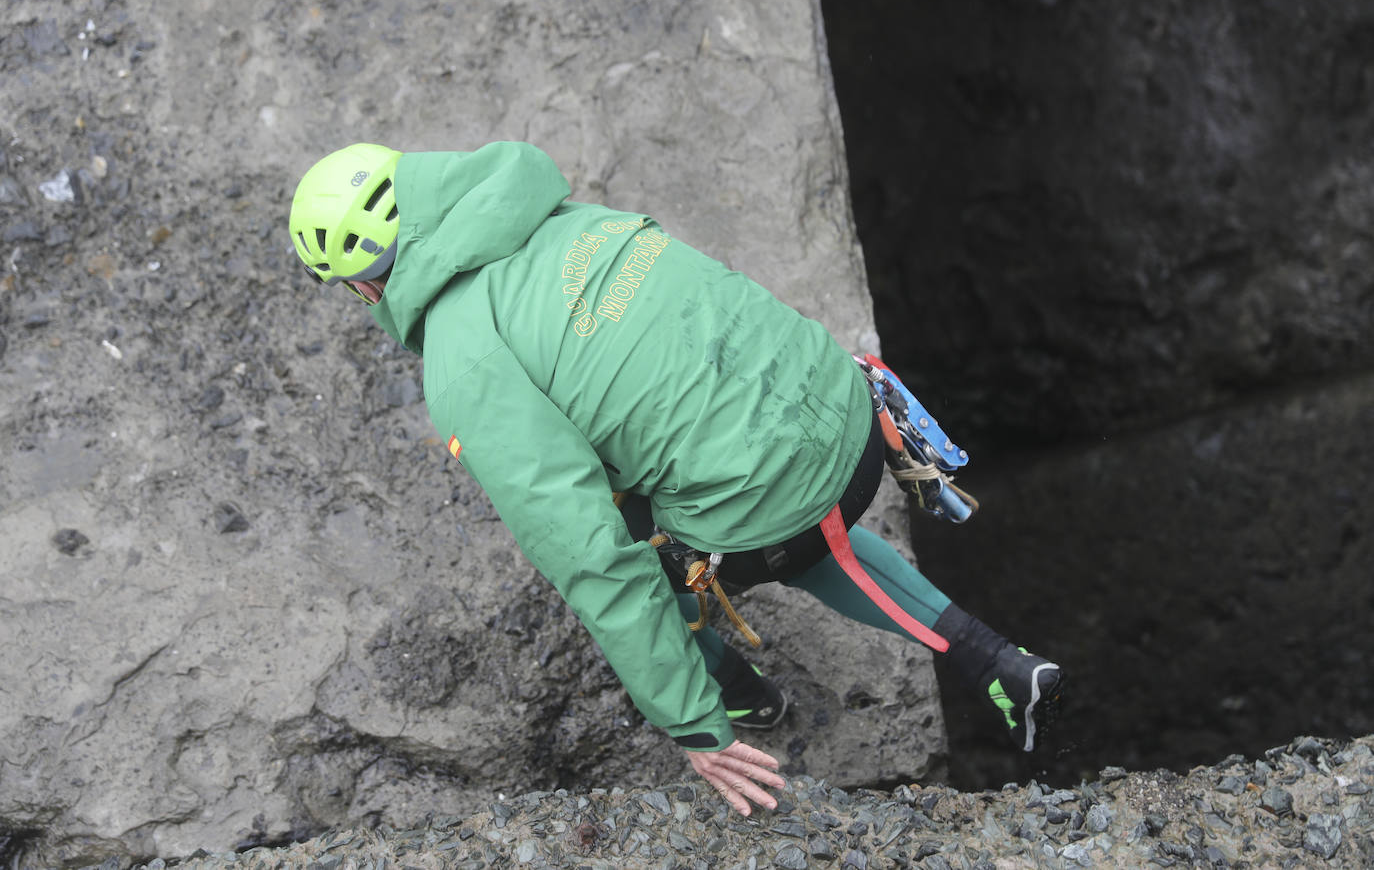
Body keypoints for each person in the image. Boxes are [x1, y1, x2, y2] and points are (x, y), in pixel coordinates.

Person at [288, 141, 1064, 816]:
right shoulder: (552, 209)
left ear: (361, 287)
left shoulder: (463, 358)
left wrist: (690, 727)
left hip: (780, 500)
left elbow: (586, 552)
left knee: (645, 552)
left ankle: (730, 690)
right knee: (766, 505)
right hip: (851, 409)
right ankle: (998, 662)